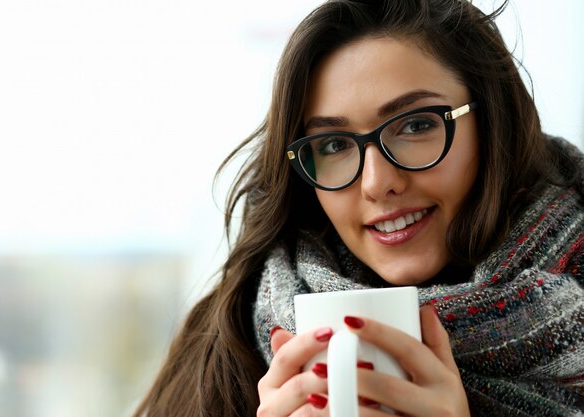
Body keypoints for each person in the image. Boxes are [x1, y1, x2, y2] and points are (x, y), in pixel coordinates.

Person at [134, 0, 583, 416]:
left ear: (491, 121)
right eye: (333, 144)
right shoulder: (225, 349)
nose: (377, 183)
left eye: (416, 124)